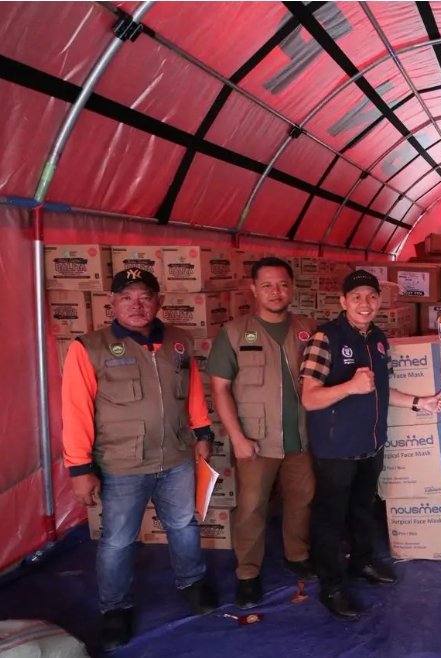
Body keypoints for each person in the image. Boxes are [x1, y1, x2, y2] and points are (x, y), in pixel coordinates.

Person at [61, 268, 217, 650]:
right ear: (112, 303)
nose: (137, 305)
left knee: (183, 525)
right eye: (127, 297)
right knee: (117, 541)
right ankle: (115, 608)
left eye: (145, 296)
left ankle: (192, 583)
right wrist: (80, 468)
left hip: (176, 457)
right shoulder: (89, 347)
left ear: (158, 301)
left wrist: (202, 432)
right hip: (121, 465)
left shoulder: (179, 341)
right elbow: (75, 410)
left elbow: (192, 391)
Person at [300, 269, 441, 621]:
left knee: (363, 509)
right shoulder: (325, 338)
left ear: (379, 301)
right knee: (330, 520)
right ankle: (332, 587)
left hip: (371, 444)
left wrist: (419, 403)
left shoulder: (378, 339)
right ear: (343, 301)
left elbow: (380, 389)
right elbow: (309, 398)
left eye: (371, 296)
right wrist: (349, 386)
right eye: (357, 297)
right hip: (336, 449)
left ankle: (362, 563)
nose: (365, 303)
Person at [206, 257, 317, 609]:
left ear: (292, 288)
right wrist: (237, 437)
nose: (276, 291)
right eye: (267, 285)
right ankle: (248, 573)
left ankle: (297, 555)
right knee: (251, 507)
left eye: (282, 284)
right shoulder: (234, 333)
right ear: (253, 289)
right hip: (256, 441)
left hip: (302, 437)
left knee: (301, 500)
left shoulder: (308, 329)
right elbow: (220, 388)